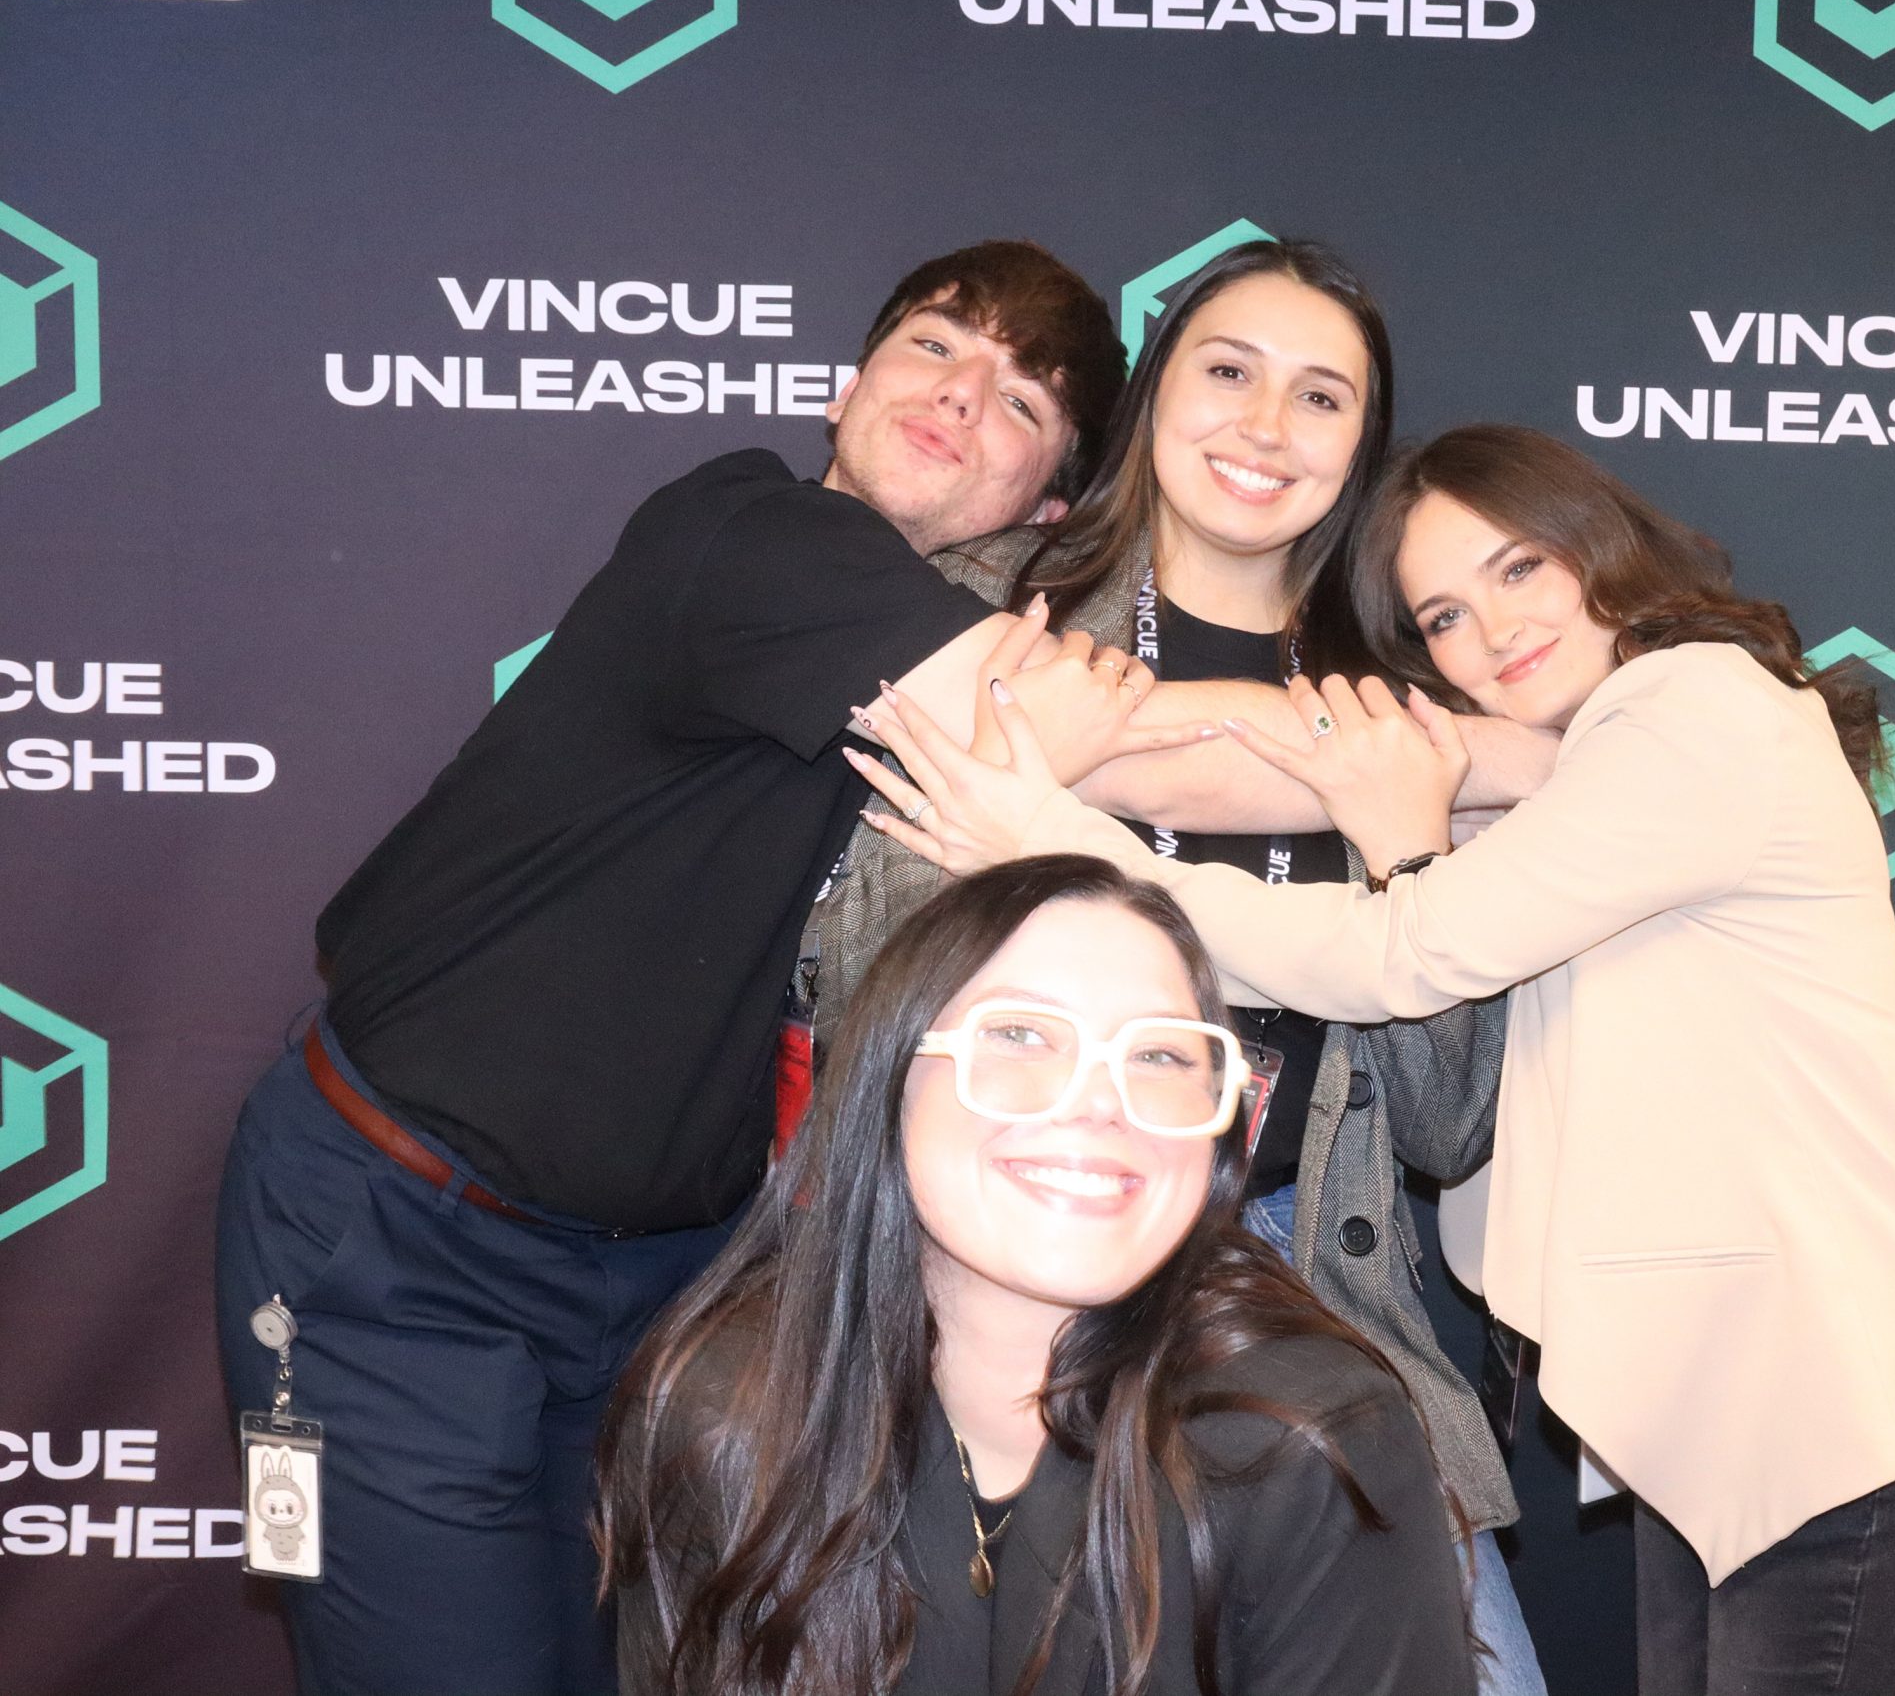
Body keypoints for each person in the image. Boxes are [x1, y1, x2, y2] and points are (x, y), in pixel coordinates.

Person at [855, 424, 1895, 1696]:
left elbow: (1402, 951)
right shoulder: (1583, 763)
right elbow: (1271, 766)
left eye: (1519, 567)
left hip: (1853, 1392)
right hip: (1743, 1400)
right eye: (1441, 615)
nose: (1490, 631)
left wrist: (1055, 838)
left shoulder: (1697, 706)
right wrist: (1046, 751)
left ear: (1601, 547)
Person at [211, 240, 1189, 1696]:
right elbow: (1093, 736)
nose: (960, 394)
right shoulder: (753, 530)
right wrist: (1493, 765)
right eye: (936, 346)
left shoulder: (931, 651)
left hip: (665, 1287)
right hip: (398, 1251)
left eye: (1022, 399)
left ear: (1046, 501)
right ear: (846, 387)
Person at [818, 240, 1550, 1694]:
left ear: (1361, 446)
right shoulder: (984, 608)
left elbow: (1447, 1126)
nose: (1266, 427)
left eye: (1321, 396)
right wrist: (1032, 785)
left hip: (1295, 1273)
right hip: (994, 1249)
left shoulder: (1408, 699)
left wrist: (1408, 853)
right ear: (1155, 396)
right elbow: (855, 990)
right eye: (1228, 372)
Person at [600, 855, 1473, 1696]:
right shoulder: (725, 1409)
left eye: (1160, 1055)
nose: (1098, 1101)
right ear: (885, 1080)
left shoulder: (1307, 1445)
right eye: (1018, 1034)